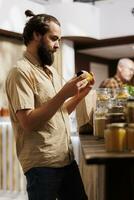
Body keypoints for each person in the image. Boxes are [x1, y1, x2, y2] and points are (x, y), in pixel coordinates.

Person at [5, 10, 94, 200]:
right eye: (54, 39)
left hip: (65, 158)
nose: (57, 45)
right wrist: (62, 94)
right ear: (37, 35)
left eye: (59, 40)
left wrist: (78, 96)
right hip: (42, 164)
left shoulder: (50, 71)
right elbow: (28, 122)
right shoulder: (20, 72)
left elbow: (57, 112)